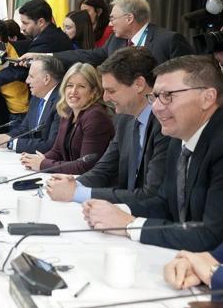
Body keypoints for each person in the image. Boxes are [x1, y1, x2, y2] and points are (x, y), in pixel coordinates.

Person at [83, 55, 223, 252]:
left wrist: (129, 225)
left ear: (207, 98)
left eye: (167, 95)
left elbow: (210, 235)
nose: (156, 107)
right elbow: (163, 203)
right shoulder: (178, 139)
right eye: (154, 97)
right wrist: (117, 212)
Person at [47, 47, 169, 204]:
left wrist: (78, 193)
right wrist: (75, 184)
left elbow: (151, 195)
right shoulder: (125, 119)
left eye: (111, 90)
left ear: (139, 84)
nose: (105, 97)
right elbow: (104, 168)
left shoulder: (165, 123)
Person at [24, 0, 194, 68]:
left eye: (113, 18)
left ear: (129, 18)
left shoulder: (168, 40)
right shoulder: (116, 40)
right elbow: (87, 55)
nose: (110, 24)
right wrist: (44, 56)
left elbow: (187, 75)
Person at [21, 62, 114, 174]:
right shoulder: (68, 111)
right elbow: (57, 151)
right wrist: (37, 159)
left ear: (93, 92)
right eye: (70, 85)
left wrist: (43, 164)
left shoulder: (95, 116)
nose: (73, 91)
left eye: (81, 86)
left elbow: (85, 166)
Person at [0, 57, 64, 153]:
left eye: (31, 76)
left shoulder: (62, 102)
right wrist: (6, 137)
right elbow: (25, 129)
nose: (27, 81)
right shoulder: (37, 96)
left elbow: (51, 145)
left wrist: (11, 143)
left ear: (47, 79)